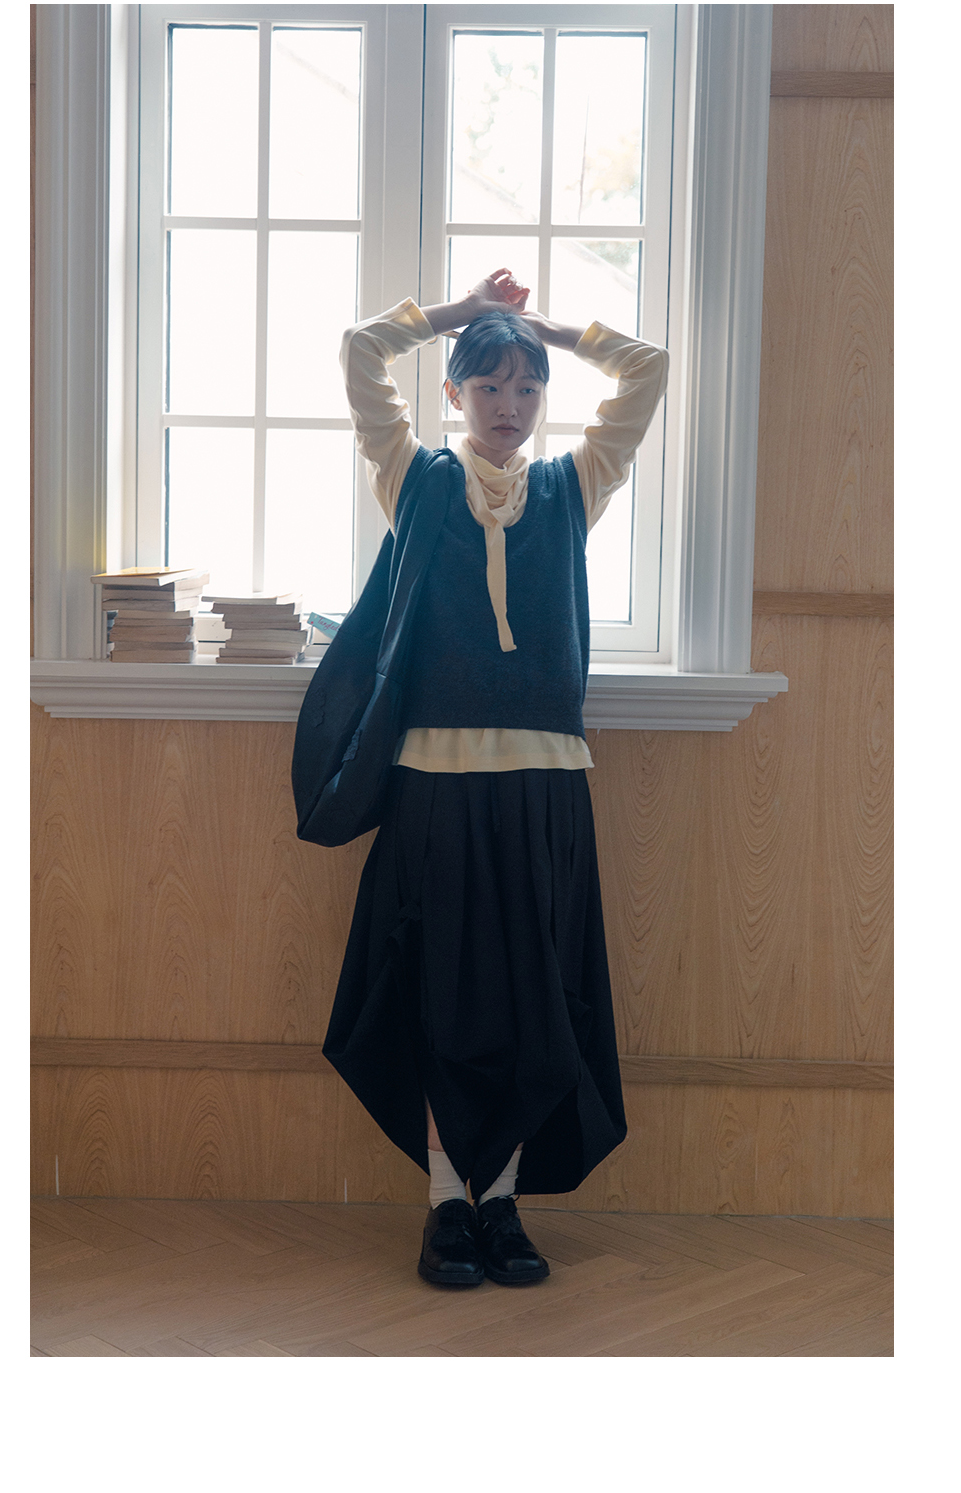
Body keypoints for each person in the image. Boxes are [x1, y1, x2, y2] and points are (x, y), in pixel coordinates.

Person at [322, 268, 670, 1287]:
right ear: (456, 393)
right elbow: (360, 351)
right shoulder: (416, 479)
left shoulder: (573, 485)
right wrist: (461, 313)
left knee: (531, 1000)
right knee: (441, 997)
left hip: (544, 787)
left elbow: (647, 368)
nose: (509, 405)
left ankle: (503, 1203)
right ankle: (446, 1205)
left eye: (526, 387)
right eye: (488, 386)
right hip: (434, 786)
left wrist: (548, 329)